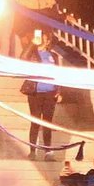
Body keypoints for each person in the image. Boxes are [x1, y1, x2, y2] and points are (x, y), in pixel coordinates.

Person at [21, 30, 62, 161]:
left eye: (43, 38)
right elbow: (23, 58)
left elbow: (58, 74)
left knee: (47, 123)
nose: (40, 39)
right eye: (38, 37)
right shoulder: (33, 53)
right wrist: (32, 44)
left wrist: (59, 91)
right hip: (35, 92)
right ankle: (32, 151)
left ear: (48, 41)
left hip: (50, 93)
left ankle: (48, 152)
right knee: (35, 121)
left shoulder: (53, 56)